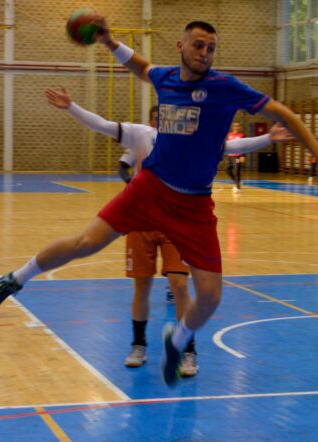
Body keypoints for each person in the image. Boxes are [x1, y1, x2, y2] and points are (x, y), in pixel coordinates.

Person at [0, 16, 318, 387]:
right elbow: (141, 66)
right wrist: (109, 42)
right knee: (86, 242)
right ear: (181, 46)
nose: (205, 53)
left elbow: (284, 113)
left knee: (211, 296)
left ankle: (178, 341)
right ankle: (14, 279)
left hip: (195, 205)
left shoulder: (224, 87)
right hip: (151, 188)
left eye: (211, 48)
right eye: (198, 45)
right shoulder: (166, 78)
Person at [45, 89, 291, 376]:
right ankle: (138, 345)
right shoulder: (141, 137)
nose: (162, 121)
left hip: (175, 222)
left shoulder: (190, 140)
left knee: (179, 284)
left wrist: (267, 138)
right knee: (142, 287)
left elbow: (228, 146)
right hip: (142, 221)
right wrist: (72, 107)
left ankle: (188, 350)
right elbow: (106, 132)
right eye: (158, 117)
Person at [225, 121, 245, 193]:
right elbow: (226, 144)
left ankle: (238, 187)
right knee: (227, 170)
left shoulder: (241, 135)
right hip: (230, 156)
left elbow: (244, 146)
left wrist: (242, 155)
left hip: (238, 156)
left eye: (237, 126)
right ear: (233, 127)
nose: (236, 127)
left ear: (239, 127)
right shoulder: (229, 135)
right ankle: (236, 181)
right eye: (235, 126)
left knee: (237, 170)